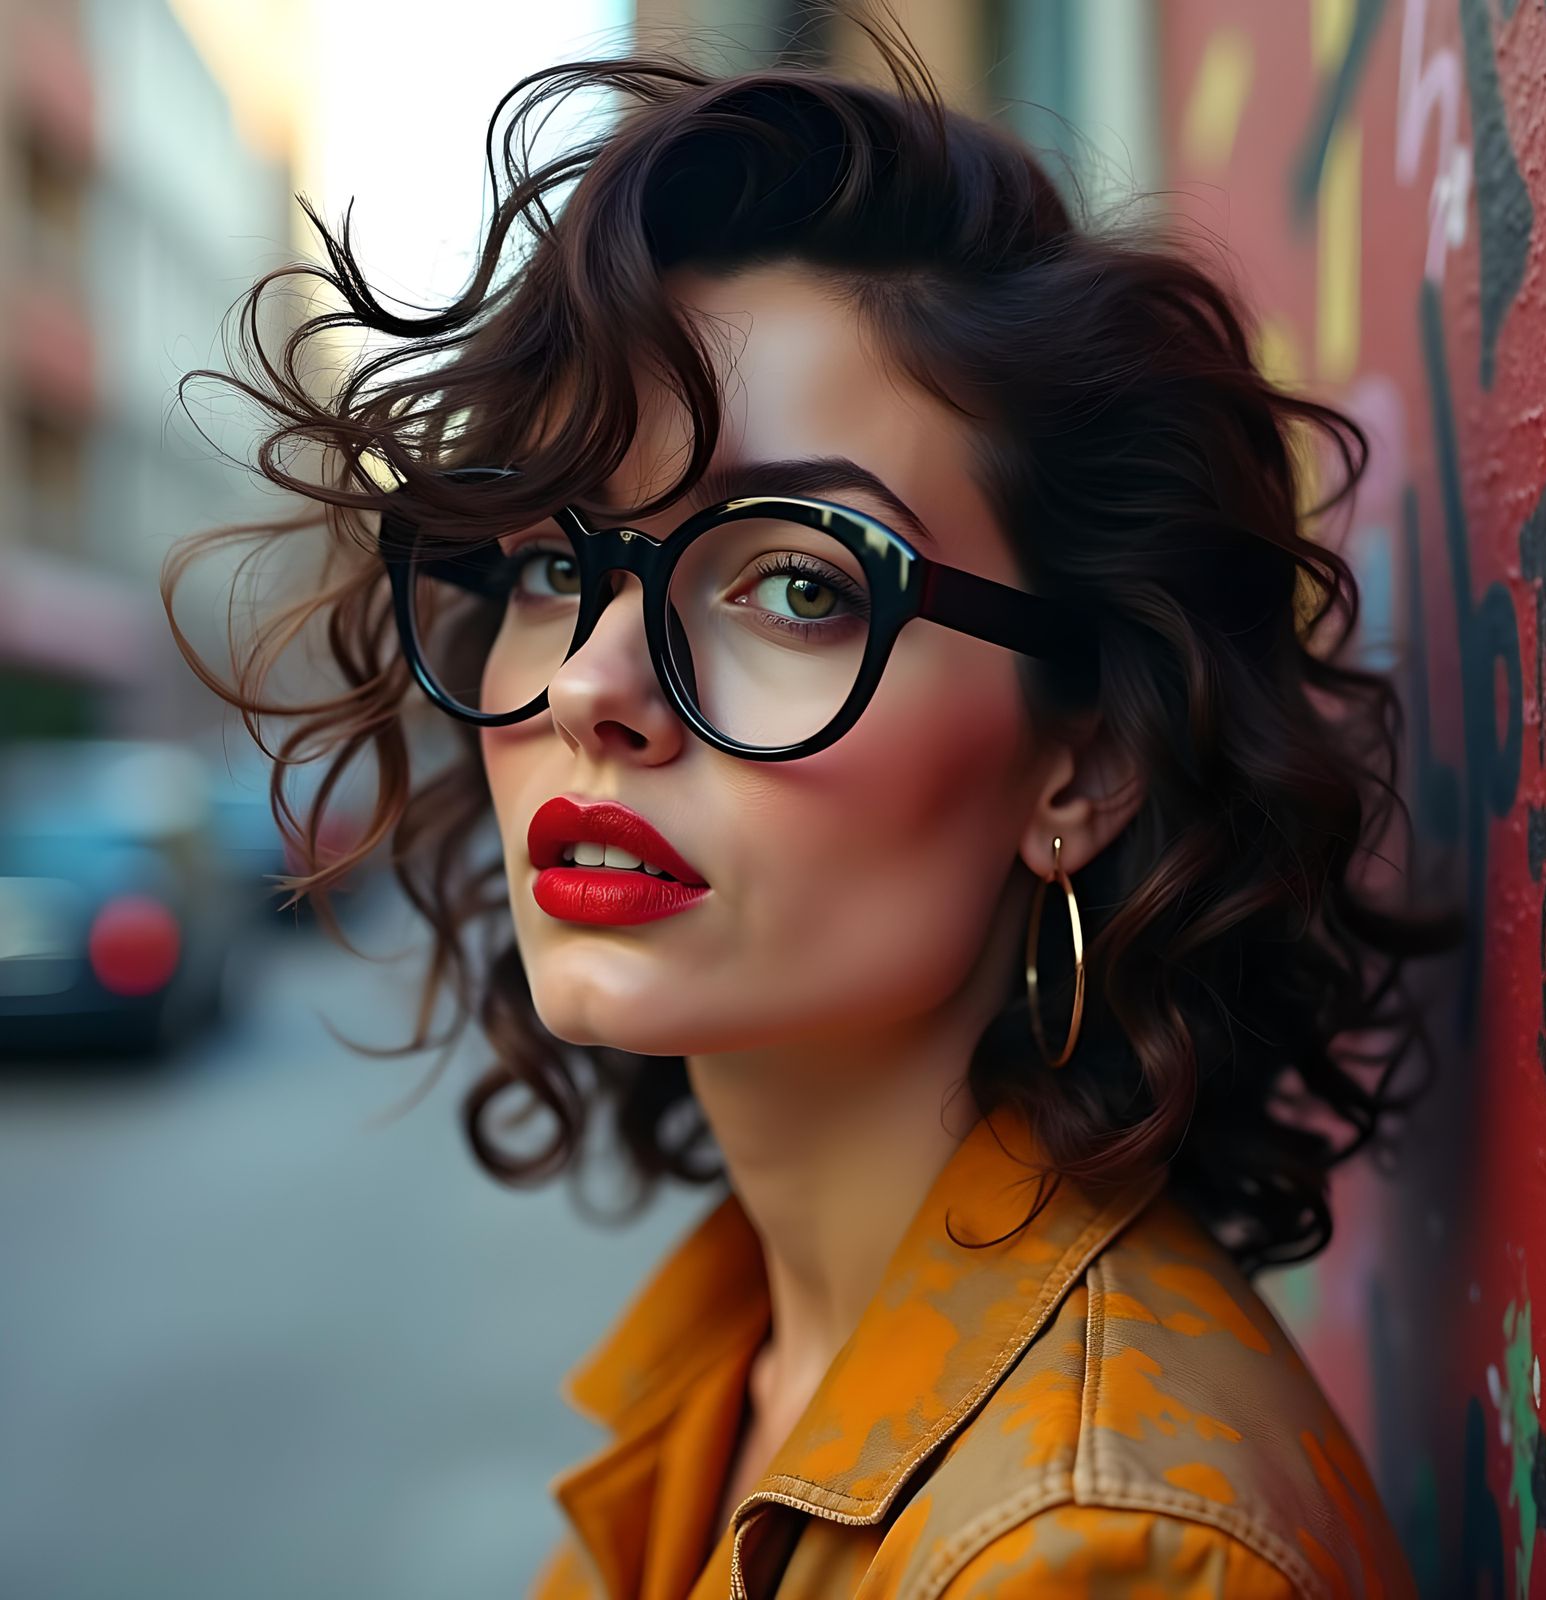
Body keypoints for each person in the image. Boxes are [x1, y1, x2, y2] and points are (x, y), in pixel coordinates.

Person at [161, 9, 1463, 1597]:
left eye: (793, 581)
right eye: (560, 567)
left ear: (1084, 765)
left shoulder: (1100, 1551)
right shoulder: (741, 1362)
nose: (589, 688)